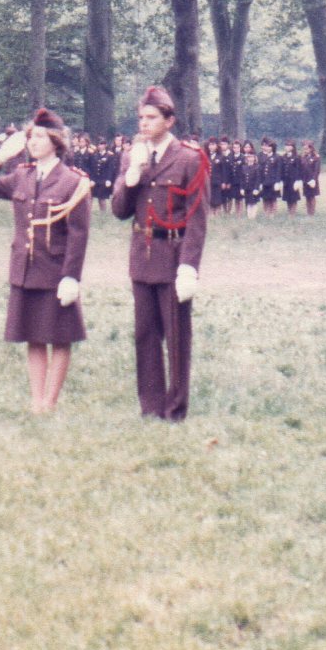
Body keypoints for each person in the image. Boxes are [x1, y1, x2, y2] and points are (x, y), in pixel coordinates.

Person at [0, 109, 91, 414]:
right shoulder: (22, 176)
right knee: (33, 336)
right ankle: (37, 401)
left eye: (40, 136)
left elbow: (78, 235)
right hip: (25, 269)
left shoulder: (73, 182)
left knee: (60, 338)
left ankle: (50, 402)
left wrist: (71, 277)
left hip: (55, 270)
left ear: (56, 141)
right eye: (30, 137)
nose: (33, 142)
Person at [111, 86, 209, 422]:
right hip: (143, 254)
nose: (144, 123)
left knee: (177, 336)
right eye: (141, 117)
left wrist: (189, 267)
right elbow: (119, 210)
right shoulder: (131, 157)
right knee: (145, 334)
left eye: (151, 117)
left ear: (169, 121)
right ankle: (151, 406)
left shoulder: (189, 158)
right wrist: (132, 177)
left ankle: (175, 407)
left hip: (172, 254)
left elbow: (197, 218)